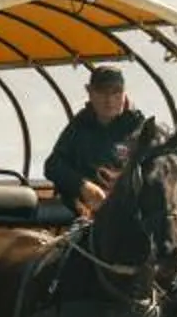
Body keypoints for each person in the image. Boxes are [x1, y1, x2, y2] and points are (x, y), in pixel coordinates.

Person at [43, 63, 148, 222]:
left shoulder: (139, 127)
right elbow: (53, 165)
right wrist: (83, 186)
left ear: (125, 92)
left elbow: (155, 171)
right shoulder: (80, 125)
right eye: (102, 92)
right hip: (82, 208)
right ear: (90, 92)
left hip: (128, 210)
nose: (110, 100)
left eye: (116, 92)